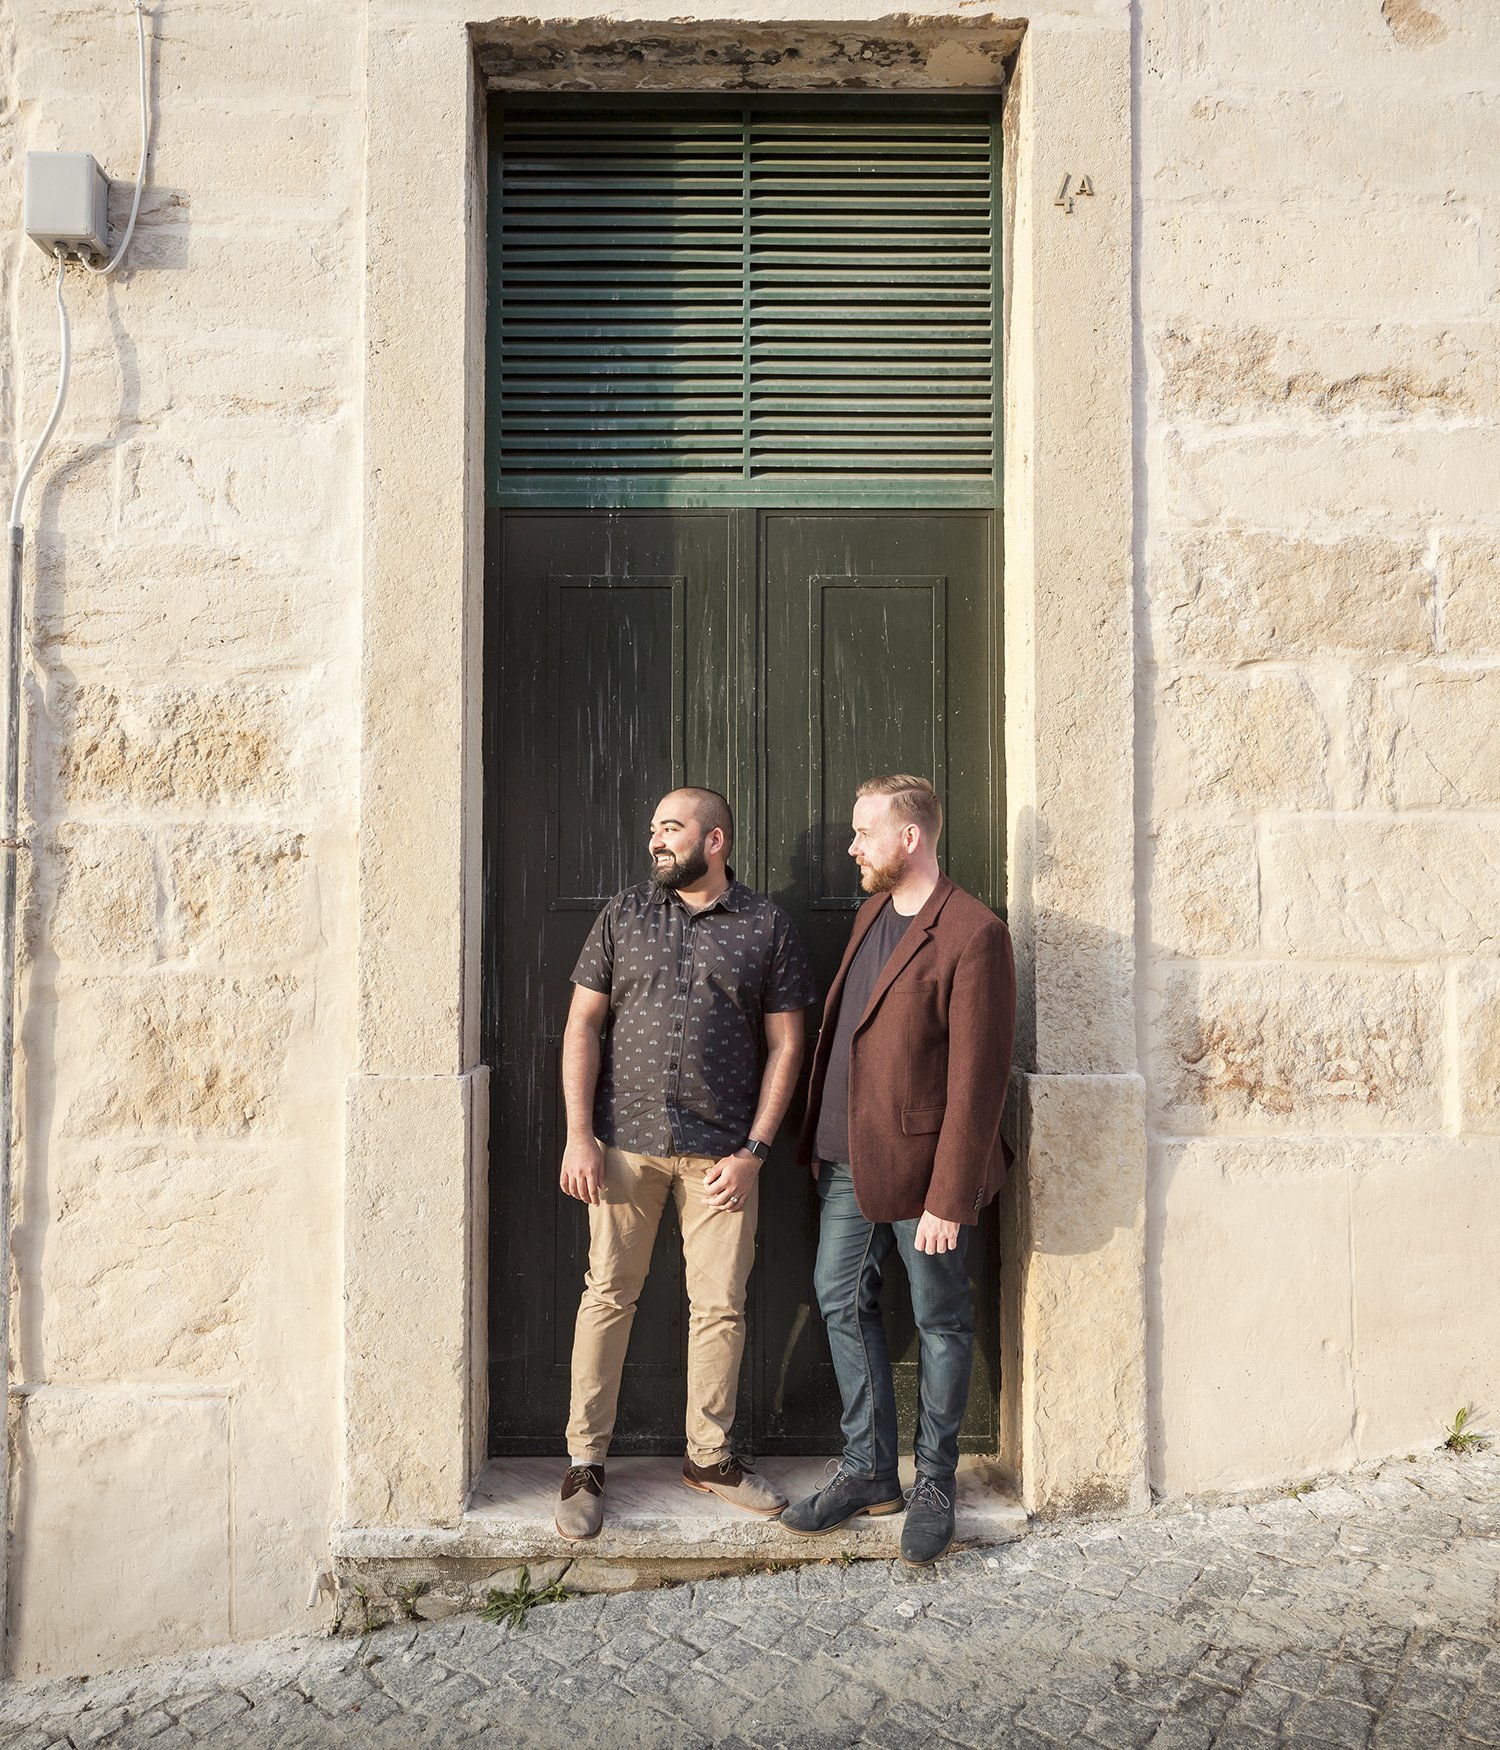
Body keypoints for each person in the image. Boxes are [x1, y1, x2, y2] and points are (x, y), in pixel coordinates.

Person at [554, 787, 816, 1539]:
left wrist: (756, 1153)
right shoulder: (624, 914)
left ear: (716, 839)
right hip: (623, 1147)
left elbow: (787, 1047)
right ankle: (584, 1465)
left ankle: (709, 1459)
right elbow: (582, 1024)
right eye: (652, 831)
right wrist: (580, 1135)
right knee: (607, 1294)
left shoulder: (766, 926)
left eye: (670, 829)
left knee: (720, 1307)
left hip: (722, 1159)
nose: (655, 843)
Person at [781, 774, 1016, 1565]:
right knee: (838, 1297)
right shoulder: (872, 911)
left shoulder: (973, 933)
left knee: (942, 1317)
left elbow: (978, 1084)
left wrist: (951, 1194)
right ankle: (869, 1468)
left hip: (926, 1172)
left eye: (864, 832)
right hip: (849, 1157)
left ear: (909, 837)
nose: (852, 846)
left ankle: (936, 1482)